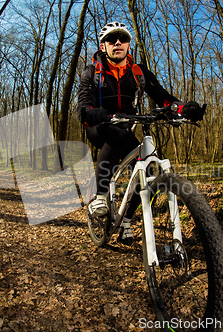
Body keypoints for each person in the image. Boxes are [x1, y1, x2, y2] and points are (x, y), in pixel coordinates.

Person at [77, 21, 204, 245]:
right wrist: (90, 112)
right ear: (102, 45)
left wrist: (183, 108)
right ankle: (99, 195)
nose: (117, 42)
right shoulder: (92, 72)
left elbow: (163, 97)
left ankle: (126, 218)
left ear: (128, 45)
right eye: (111, 39)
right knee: (113, 134)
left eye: (122, 38)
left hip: (127, 126)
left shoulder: (138, 72)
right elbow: (83, 104)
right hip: (100, 127)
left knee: (146, 164)